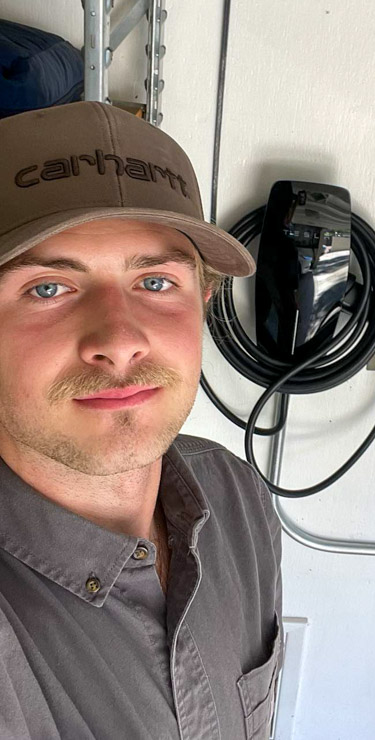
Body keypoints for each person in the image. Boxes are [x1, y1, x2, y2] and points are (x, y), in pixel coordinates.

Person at [0, 101, 283, 740]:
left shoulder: (239, 500)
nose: (121, 341)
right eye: (48, 288)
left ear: (203, 303)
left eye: (155, 283)